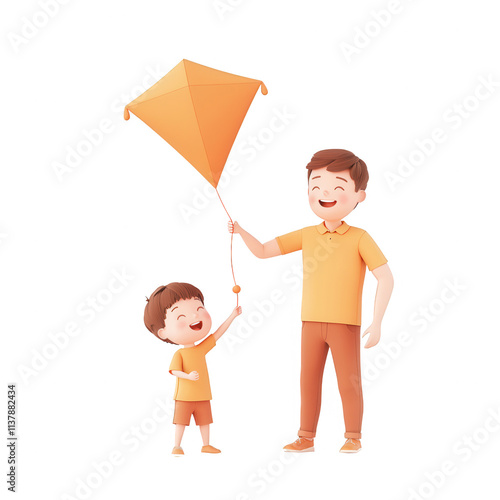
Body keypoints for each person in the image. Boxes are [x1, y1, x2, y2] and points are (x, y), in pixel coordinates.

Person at [229, 149, 393, 453]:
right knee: (308, 381)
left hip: (345, 323)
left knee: (349, 382)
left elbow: (385, 277)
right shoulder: (307, 234)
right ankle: (306, 437)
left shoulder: (360, 237)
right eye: (316, 185)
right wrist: (240, 232)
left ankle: (352, 436)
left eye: (338, 187)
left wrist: (377, 321)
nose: (325, 193)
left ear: (360, 196)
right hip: (310, 322)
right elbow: (264, 251)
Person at [144, 282, 242, 456]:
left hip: (203, 394)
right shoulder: (179, 354)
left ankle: (206, 445)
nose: (194, 316)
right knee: (181, 422)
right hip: (185, 397)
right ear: (163, 332)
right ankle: (177, 446)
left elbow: (218, 334)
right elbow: (174, 371)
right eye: (180, 317)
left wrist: (233, 315)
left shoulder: (200, 349)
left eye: (199, 308)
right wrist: (188, 377)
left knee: (205, 421)